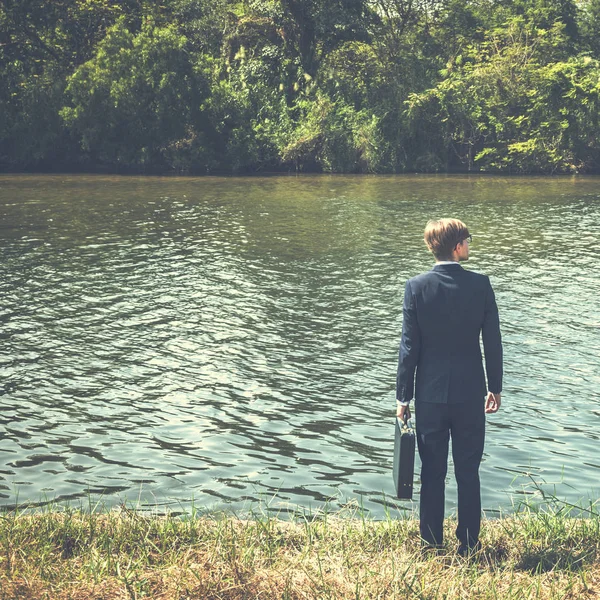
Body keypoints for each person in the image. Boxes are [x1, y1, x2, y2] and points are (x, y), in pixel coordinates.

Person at [396, 218, 503, 556]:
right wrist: (495, 387)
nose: (469, 246)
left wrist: (403, 397)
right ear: (456, 247)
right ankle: (469, 544)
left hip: (430, 396)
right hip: (471, 394)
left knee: (432, 472)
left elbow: (409, 348)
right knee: (468, 471)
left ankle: (431, 542)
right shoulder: (480, 285)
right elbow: (493, 342)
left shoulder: (416, 287)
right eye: (467, 241)